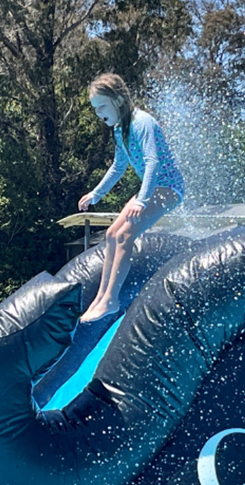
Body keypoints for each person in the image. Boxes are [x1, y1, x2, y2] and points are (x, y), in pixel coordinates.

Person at [77, 73, 185, 322]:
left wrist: (142, 200)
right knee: (111, 234)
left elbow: (152, 162)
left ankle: (110, 300)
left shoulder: (141, 122)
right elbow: (118, 166)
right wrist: (96, 193)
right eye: (95, 108)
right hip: (151, 190)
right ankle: (101, 297)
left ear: (118, 100)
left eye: (101, 106)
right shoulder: (119, 130)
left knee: (125, 235)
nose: (98, 113)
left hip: (169, 189)